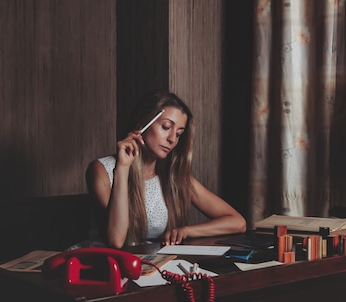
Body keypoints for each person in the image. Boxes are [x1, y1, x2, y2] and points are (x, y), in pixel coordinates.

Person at [86, 90, 246, 248]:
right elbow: (116, 240)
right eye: (166, 127)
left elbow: (237, 222)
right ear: (143, 124)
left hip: (153, 263)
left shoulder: (174, 177)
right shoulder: (101, 170)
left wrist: (186, 231)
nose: (172, 139)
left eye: (178, 134)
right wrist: (122, 168)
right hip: (106, 265)